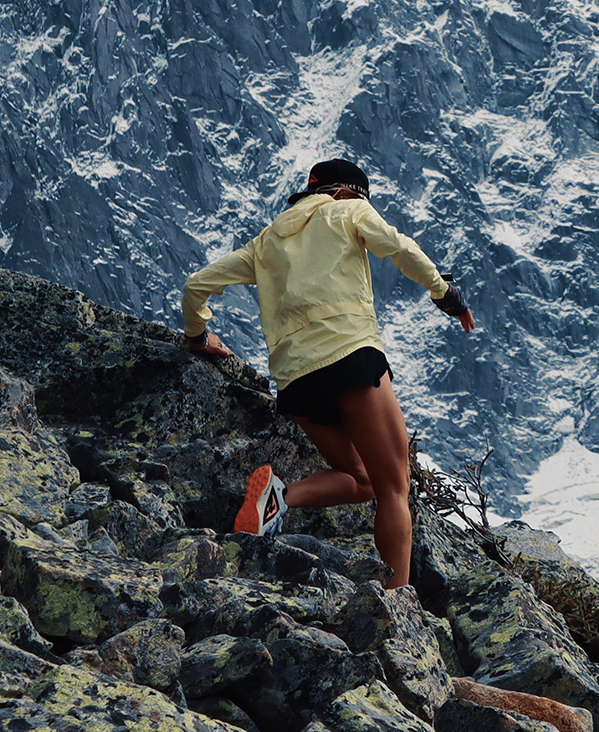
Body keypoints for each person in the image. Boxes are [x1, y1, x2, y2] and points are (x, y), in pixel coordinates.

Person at [179, 158, 474, 590]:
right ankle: (398, 606)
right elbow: (400, 248)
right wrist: (445, 292)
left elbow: (195, 286)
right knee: (396, 488)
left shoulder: (264, 244)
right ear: (345, 190)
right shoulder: (349, 209)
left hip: (297, 383)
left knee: (363, 480)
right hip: (351, 358)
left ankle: (279, 498)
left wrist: (198, 338)